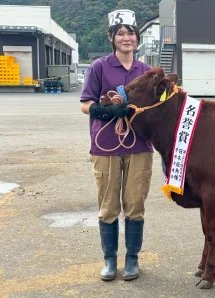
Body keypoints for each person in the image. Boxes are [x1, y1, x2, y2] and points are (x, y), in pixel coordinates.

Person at [80, 9, 154, 281]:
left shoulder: (147, 71)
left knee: (135, 204)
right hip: (106, 146)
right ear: (111, 37)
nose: (126, 38)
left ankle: (132, 260)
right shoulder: (99, 67)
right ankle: (110, 261)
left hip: (140, 147)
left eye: (130, 33)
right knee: (109, 206)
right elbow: (85, 105)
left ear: (137, 38)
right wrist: (107, 111)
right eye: (120, 33)